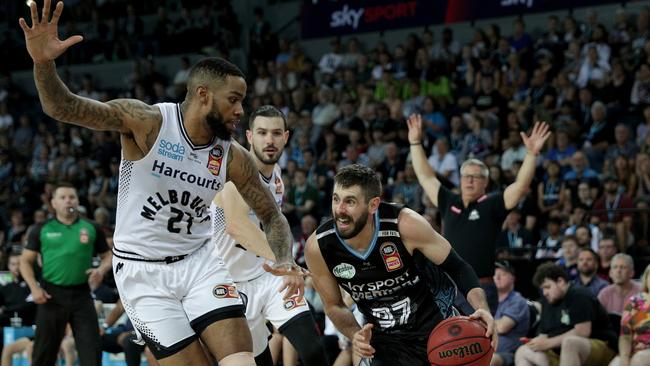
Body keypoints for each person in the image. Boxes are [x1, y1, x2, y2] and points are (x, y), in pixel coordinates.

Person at [19, 2, 302, 364]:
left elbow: (272, 216)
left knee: (240, 360)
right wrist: (43, 63)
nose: (239, 111)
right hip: (142, 272)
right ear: (203, 95)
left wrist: (284, 258)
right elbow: (63, 107)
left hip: (200, 263)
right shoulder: (148, 122)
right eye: (233, 100)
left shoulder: (232, 156)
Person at [304, 164, 496, 366]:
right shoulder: (318, 247)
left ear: (373, 205)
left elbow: (457, 267)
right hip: (386, 342)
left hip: (438, 331)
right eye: (336, 199)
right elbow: (334, 305)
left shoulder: (405, 225)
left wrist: (482, 308)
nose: (340, 210)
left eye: (350, 201)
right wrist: (355, 334)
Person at [211, 105, 328, 366]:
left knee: (312, 349)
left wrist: (284, 263)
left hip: (268, 277)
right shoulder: (234, 171)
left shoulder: (276, 178)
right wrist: (286, 263)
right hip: (230, 284)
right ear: (250, 137)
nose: (270, 140)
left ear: (286, 137)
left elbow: (275, 224)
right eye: (262, 133)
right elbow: (237, 227)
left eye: (276, 133)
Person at [407, 114, 551, 314]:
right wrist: (415, 142)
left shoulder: (492, 203)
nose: (470, 181)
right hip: (447, 285)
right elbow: (425, 176)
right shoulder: (449, 201)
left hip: (480, 286)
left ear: (485, 182)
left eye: (476, 177)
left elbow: (520, 186)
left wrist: (531, 154)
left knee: (480, 341)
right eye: (466, 176)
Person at [20, 183, 111, 366]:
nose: (68, 200)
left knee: (92, 352)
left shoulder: (91, 227)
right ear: (53, 203)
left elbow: (108, 256)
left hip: (82, 295)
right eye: (62, 197)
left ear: (77, 201)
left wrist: (101, 270)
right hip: (50, 296)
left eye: (72, 197)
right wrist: (34, 288)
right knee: (43, 354)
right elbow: (25, 261)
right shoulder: (41, 228)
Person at [514, 262, 616, 366]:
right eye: (542, 289)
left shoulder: (579, 295)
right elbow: (545, 333)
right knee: (522, 351)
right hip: (560, 350)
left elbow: (583, 332)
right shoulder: (548, 300)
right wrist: (536, 342)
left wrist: (548, 343)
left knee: (570, 343)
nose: (545, 293)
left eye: (547, 287)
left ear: (560, 281)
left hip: (599, 344)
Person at [491, 261, 530, 366]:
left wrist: (483, 322)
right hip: (489, 350)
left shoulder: (517, 301)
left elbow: (502, 327)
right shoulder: (492, 300)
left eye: (503, 274)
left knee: (489, 361)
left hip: (509, 353)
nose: (497, 277)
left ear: (512, 278)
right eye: (495, 274)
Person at [610, 264, 650, 366]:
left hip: (645, 353)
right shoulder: (635, 302)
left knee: (639, 360)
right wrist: (624, 357)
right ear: (646, 278)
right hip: (634, 350)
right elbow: (625, 334)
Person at [0, 251, 36, 327]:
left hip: (28, 324)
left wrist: (5, 310)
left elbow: (26, 306)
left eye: (19, 264)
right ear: (8, 266)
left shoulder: (33, 285)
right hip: (7, 325)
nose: (16, 267)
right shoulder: (5, 288)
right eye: (13, 264)